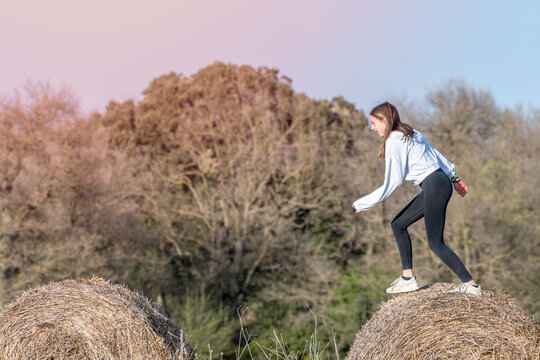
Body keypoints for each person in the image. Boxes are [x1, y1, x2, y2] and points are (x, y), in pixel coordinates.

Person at [352, 102, 481, 295]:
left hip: (434, 185)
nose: (372, 128)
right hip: (438, 183)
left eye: (373, 123)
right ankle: (407, 278)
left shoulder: (394, 140)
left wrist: (364, 203)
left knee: (436, 243)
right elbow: (436, 154)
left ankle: (471, 286)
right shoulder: (409, 132)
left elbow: (392, 181)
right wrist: (453, 177)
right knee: (398, 224)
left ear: (384, 120)